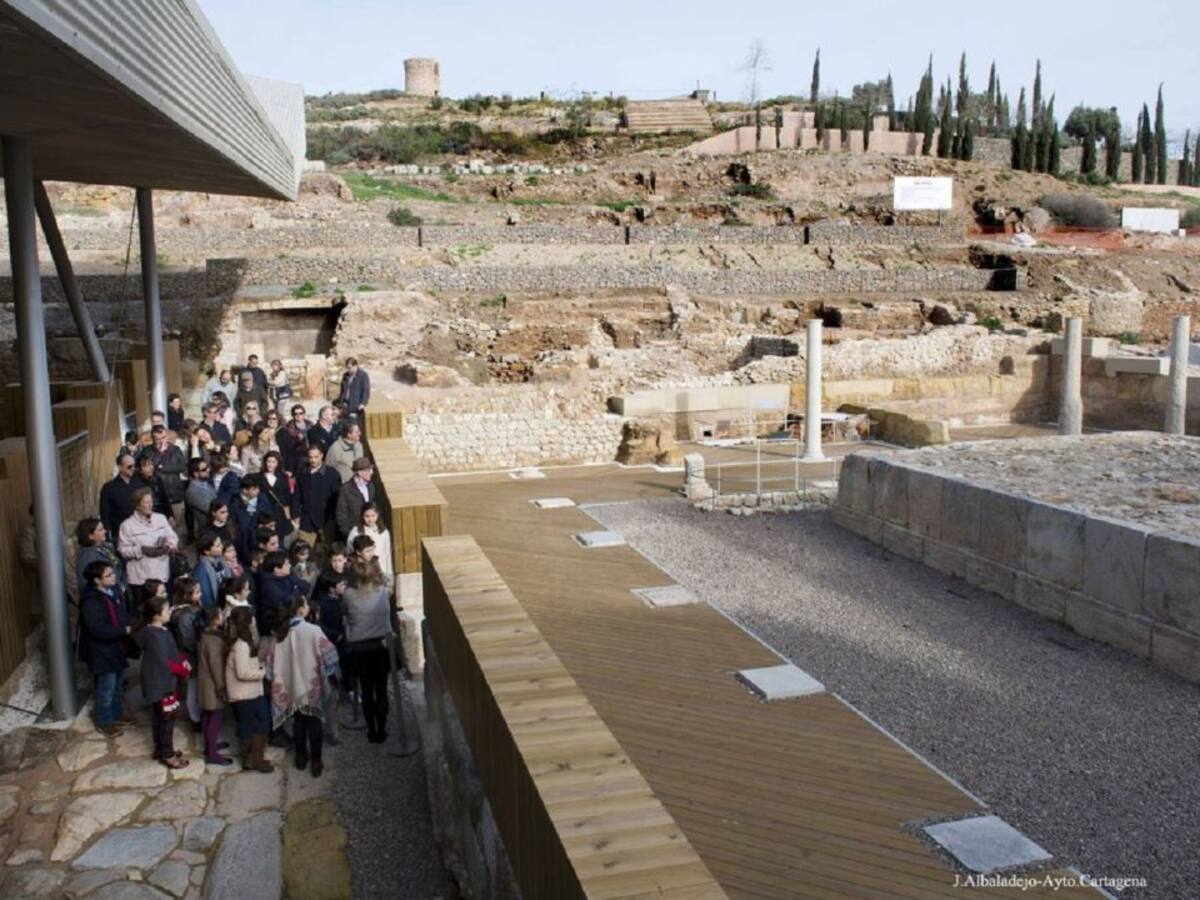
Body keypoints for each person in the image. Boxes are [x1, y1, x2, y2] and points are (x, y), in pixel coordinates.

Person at [261, 593, 338, 777]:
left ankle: (301, 757)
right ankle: (317, 760)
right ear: (301, 609)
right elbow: (330, 656)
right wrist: (326, 673)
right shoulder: (313, 631)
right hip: (311, 685)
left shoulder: (279, 634)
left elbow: (270, 666)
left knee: (298, 722)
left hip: (290, 685)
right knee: (314, 722)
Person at [79, 560, 134, 736]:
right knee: (107, 688)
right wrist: (122, 630)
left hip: (116, 647)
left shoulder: (112, 591)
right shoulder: (91, 601)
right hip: (102, 650)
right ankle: (104, 721)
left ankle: (116, 714)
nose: (113, 577)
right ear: (97, 580)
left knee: (117, 684)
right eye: (108, 575)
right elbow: (97, 629)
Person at [136, 591, 191, 769]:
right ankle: (167, 754)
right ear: (156, 615)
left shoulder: (160, 631)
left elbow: (173, 652)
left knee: (161, 717)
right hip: (160, 684)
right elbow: (164, 662)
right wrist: (183, 669)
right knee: (166, 719)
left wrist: (182, 660)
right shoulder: (153, 635)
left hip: (162, 682)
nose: (169, 612)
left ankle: (161, 749)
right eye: (166, 610)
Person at [342, 557, 393, 743]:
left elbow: (345, 613)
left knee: (366, 689)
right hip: (379, 647)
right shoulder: (382, 593)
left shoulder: (348, 594)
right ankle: (382, 727)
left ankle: (371, 729)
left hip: (359, 649)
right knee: (381, 690)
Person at [224, 605, 274, 773]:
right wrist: (262, 672)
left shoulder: (244, 641)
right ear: (248, 621)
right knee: (256, 722)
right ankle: (253, 758)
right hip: (245, 692)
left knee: (254, 722)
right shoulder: (241, 645)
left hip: (250, 691)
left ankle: (252, 758)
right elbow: (243, 672)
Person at [118, 487, 178, 593]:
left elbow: (173, 537)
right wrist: (141, 550)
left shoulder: (161, 518)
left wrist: (168, 545)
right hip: (140, 579)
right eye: (146, 502)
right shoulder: (127, 525)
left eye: (151, 501)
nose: (150, 505)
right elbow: (123, 550)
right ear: (137, 505)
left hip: (162, 574)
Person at [196, 605, 232, 765]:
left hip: (205, 682)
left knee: (207, 715)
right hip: (212, 685)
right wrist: (221, 687)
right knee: (215, 717)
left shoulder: (205, 634)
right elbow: (216, 666)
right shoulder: (214, 641)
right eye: (221, 614)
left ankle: (210, 745)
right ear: (215, 620)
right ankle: (212, 753)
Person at [170, 577, 203, 727]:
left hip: (190, 653)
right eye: (196, 592)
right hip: (190, 655)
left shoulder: (188, 610)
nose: (200, 594)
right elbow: (188, 639)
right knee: (193, 687)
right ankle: (195, 718)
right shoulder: (185, 615)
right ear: (186, 595)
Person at [75, 517, 127, 611]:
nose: (105, 531)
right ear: (90, 536)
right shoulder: (87, 555)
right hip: (103, 602)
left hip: (115, 595)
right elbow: (86, 582)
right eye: (100, 530)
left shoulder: (105, 548)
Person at [295, 445, 340, 549]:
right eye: (310, 457)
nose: (313, 460)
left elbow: (337, 497)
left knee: (327, 551)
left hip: (327, 519)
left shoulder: (332, 473)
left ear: (322, 456)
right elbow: (297, 494)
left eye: (316, 457)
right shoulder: (302, 472)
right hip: (307, 519)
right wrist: (296, 514)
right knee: (304, 550)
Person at [257, 550, 308, 636]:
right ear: (277, 569)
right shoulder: (269, 587)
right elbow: (289, 602)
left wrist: (295, 591)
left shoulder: (288, 574)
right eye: (287, 564)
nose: (290, 566)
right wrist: (296, 590)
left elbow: (306, 586)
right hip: (276, 626)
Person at [346, 503, 394, 580]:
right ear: (362, 516)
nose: (370, 519)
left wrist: (389, 574)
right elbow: (350, 552)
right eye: (367, 516)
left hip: (381, 572)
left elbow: (387, 554)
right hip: (363, 573)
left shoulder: (384, 532)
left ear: (378, 515)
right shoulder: (356, 532)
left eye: (373, 516)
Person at [146, 425, 188, 508]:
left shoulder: (175, 449)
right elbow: (150, 468)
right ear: (153, 439)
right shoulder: (147, 451)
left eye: (163, 437)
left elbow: (182, 467)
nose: (162, 441)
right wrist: (159, 452)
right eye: (158, 439)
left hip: (175, 494)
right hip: (157, 497)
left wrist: (161, 468)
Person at [335, 457, 376, 540]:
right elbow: (341, 513)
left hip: (369, 530)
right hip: (354, 533)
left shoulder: (371, 486)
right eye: (368, 470)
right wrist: (348, 533)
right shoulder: (346, 489)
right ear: (360, 473)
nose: (372, 472)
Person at [259, 450, 296, 541]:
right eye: (268, 461)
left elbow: (288, 495)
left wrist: (290, 512)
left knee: (280, 541)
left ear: (278, 463)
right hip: (266, 515)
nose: (270, 464)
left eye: (273, 462)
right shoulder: (259, 477)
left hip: (280, 514)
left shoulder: (283, 477)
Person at [100, 453, 138, 539]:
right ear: (120, 467)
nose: (133, 469)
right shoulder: (109, 488)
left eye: (134, 466)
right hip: (120, 533)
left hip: (140, 531)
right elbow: (105, 513)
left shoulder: (138, 483)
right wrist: (107, 533)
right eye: (129, 466)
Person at [132, 453, 173, 521]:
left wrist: (171, 515)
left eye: (151, 464)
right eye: (146, 466)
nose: (151, 467)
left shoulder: (157, 479)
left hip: (161, 514)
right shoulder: (136, 483)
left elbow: (165, 498)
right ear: (140, 469)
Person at [230, 475, 262, 563]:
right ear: (244, 490)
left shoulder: (261, 499)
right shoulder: (234, 504)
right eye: (254, 489)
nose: (258, 491)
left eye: (258, 488)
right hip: (244, 544)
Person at [193, 532, 227, 609]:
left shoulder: (222, 561)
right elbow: (206, 597)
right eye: (218, 545)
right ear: (207, 551)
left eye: (221, 543)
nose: (222, 546)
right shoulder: (201, 570)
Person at [185, 458, 216, 539]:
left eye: (208, 467)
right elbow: (210, 508)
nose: (208, 470)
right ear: (195, 473)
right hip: (207, 532)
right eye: (204, 469)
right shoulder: (192, 491)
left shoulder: (207, 484)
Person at [277, 404, 309, 473]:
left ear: (304, 414)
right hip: (296, 456)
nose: (298, 415)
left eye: (300, 413)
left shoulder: (310, 425)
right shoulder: (288, 428)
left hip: (309, 454)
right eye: (295, 413)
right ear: (292, 415)